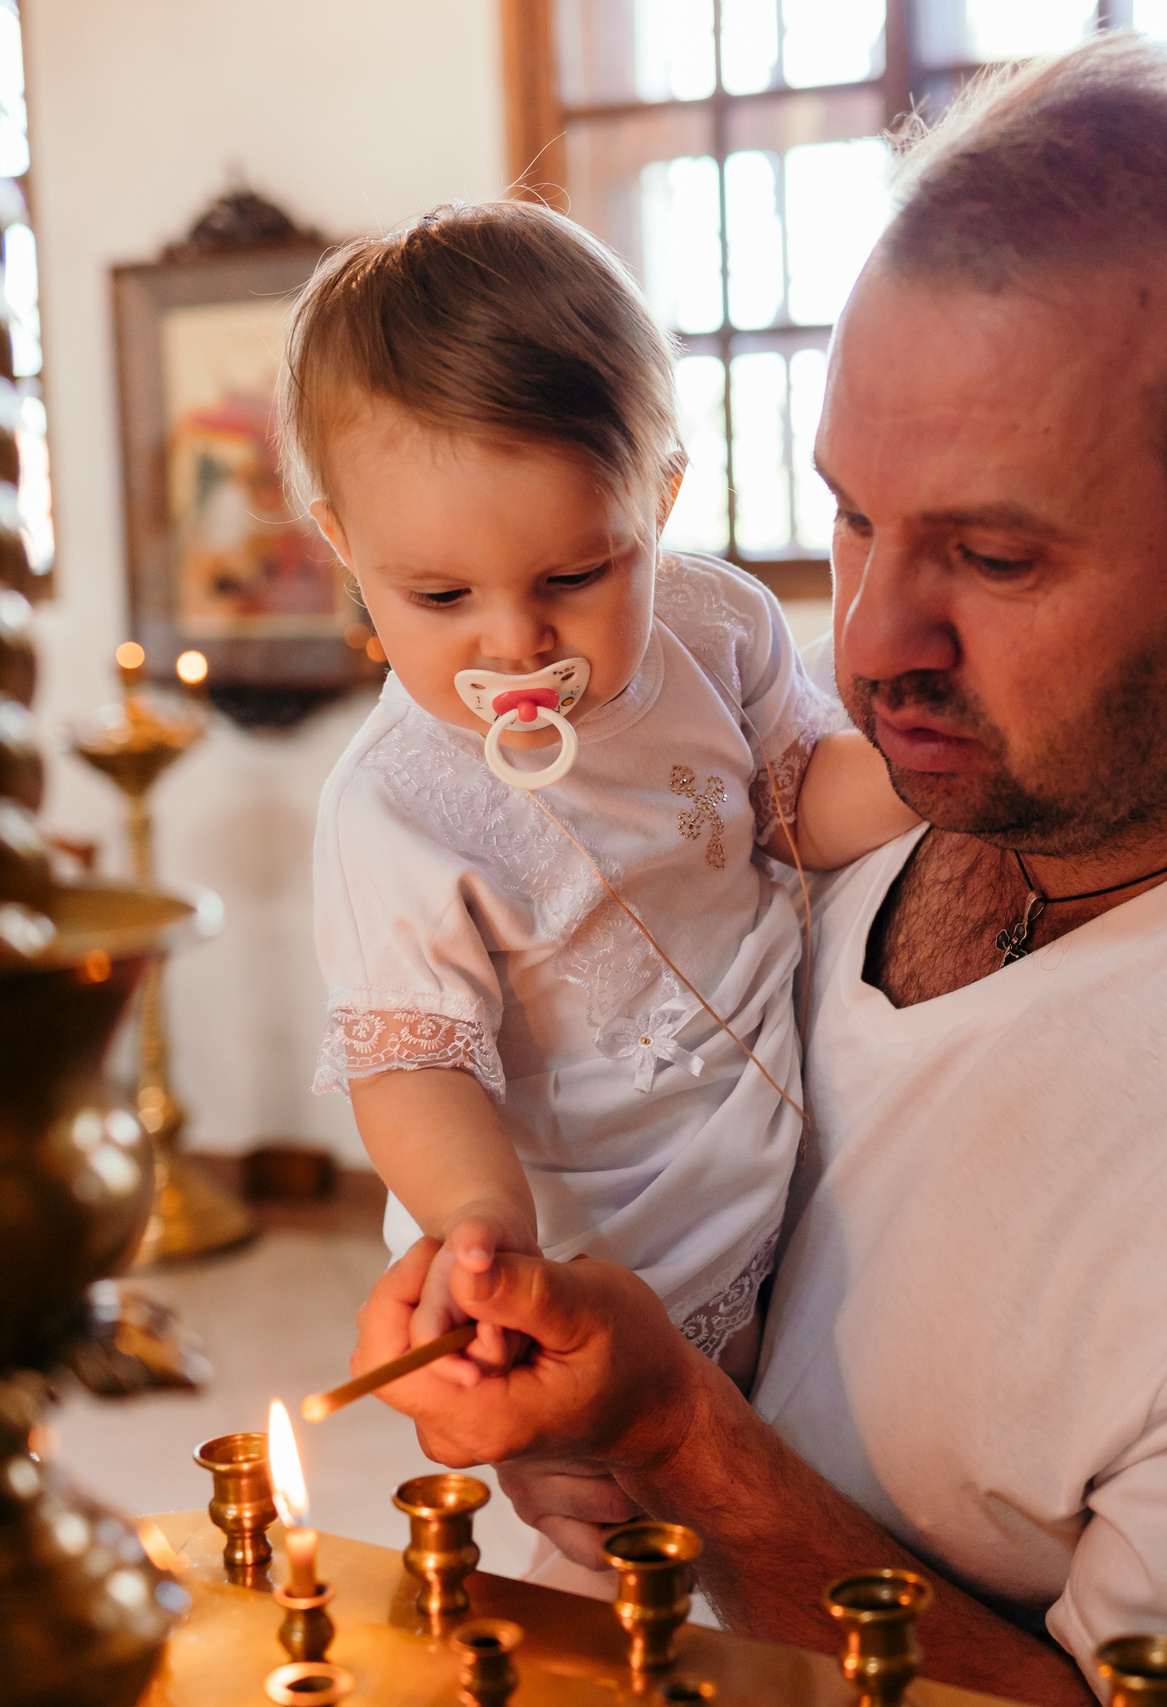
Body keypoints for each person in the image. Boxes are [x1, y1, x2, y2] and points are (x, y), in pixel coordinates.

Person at [344, 36, 1167, 1707]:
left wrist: (678, 1434)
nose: (874, 640)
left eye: (996, 552)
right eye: (856, 518)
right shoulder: (973, 756)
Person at [286, 203, 916, 1386]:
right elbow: (414, 1057)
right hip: (592, 1237)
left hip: (784, 1135)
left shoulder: (714, 624)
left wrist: (918, 772)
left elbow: (795, 801)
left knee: (815, 1442)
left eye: (575, 575)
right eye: (437, 598)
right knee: (616, 1527)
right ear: (344, 546)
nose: (515, 643)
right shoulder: (392, 808)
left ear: (657, 503)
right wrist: (480, 1216)